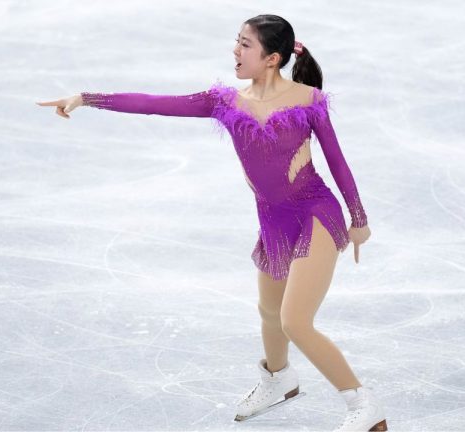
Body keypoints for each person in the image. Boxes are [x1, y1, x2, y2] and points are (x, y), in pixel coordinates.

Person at [37, 13, 387, 432]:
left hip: (316, 213)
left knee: (296, 321)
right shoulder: (224, 101)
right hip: (273, 220)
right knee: (269, 311)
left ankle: (363, 404)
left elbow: (337, 159)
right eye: (236, 41)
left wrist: (359, 219)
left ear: (272, 58)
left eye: (244, 45)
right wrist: (86, 97)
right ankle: (279, 380)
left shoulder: (308, 101)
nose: (234, 51)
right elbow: (153, 104)